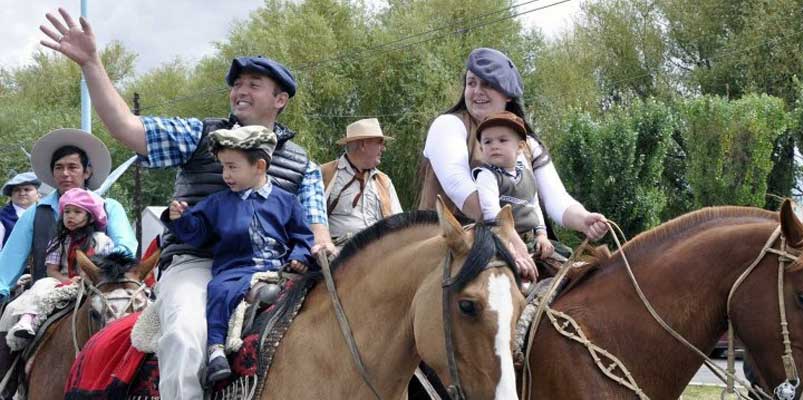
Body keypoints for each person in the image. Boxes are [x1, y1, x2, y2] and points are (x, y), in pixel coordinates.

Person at [41, 8, 332, 398]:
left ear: (280, 99)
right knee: (183, 335)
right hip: (196, 264)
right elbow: (127, 127)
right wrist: (92, 64)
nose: (240, 90)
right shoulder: (198, 135)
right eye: (237, 84)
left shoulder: (304, 165)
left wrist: (326, 251)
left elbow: (317, 234)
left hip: (269, 269)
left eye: (253, 84)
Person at [418, 47, 610, 281]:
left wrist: (584, 219)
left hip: (520, 246)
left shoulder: (527, 144)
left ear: (508, 95)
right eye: (471, 83)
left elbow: (556, 199)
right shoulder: (448, 125)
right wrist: (509, 241)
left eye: (487, 84)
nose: (477, 91)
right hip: (451, 253)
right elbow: (463, 192)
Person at [166, 125, 314, 385]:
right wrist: (181, 219)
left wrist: (300, 256)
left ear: (259, 166)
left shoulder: (286, 202)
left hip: (279, 270)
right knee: (218, 291)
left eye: (232, 167)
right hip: (235, 270)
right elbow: (198, 233)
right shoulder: (218, 202)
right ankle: (216, 351)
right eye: (223, 167)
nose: (225, 175)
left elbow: (302, 236)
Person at [0, 128, 136, 397]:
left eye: (73, 167)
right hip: (50, 290)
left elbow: (126, 249)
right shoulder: (36, 213)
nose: (65, 173)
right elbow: (8, 263)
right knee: (10, 314)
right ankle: (5, 383)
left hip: (101, 290)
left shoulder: (109, 208)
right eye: (59, 168)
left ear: (87, 171)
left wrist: (97, 268)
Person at [4, 188, 114, 340]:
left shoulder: (102, 241)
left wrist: (87, 280)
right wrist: (67, 281)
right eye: (67, 211)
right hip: (61, 282)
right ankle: (27, 321)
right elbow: (52, 270)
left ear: (91, 218)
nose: (70, 216)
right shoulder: (58, 241)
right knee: (41, 285)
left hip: (93, 284)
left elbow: (106, 270)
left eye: (77, 212)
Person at [472, 111, 554, 259]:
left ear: (520, 147)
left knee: (566, 265)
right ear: (481, 149)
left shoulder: (527, 175)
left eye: (502, 140)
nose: (494, 146)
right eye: (487, 142)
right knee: (510, 276)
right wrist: (513, 243)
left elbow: (534, 206)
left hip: (530, 241)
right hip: (501, 240)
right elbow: (492, 213)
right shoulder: (487, 175)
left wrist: (542, 235)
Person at [321, 118, 402, 247]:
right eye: (380, 143)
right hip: (339, 254)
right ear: (363, 145)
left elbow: (399, 225)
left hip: (379, 253)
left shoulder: (384, 181)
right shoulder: (325, 174)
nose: (383, 148)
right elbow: (308, 220)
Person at [0, 172, 41, 250]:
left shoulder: (47, 213)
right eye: (17, 190)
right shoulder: (2, 217)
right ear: (11, 195)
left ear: (38, 194)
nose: (22, 193)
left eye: (27, 189)